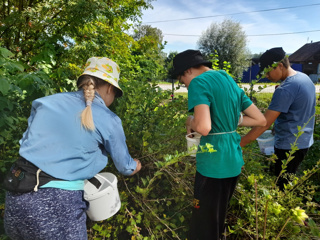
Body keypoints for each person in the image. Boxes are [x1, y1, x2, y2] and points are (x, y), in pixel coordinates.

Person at [3, 57, 142, 239]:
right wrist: (137, 166)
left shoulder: (45, 103)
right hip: (55, 206)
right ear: (110, 88)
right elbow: (126, 167)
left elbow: (29, 141)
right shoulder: (109, 119)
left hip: (15, 194)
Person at [172, 50, 267, 240]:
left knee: (203, 225)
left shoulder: (199, 82)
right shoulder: (228, 79)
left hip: (213, 164)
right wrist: (230, 120)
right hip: (232, 161)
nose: (186, 85)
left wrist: (191, 121)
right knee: (217, 218)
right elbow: (260, 119)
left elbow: (204, 128)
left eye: (183, 81)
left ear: (188, 71)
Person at [240, 47, 316, 190]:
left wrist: (240, 143)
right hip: (303, 140)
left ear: (280, 66)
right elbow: (300, 108)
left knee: (282, 186)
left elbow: (264, 124)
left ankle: (285, 208)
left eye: (268, 71)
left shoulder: (285, 89)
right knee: (289, 177)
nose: (266, 76)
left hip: (289, 146)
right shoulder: (303, 77)